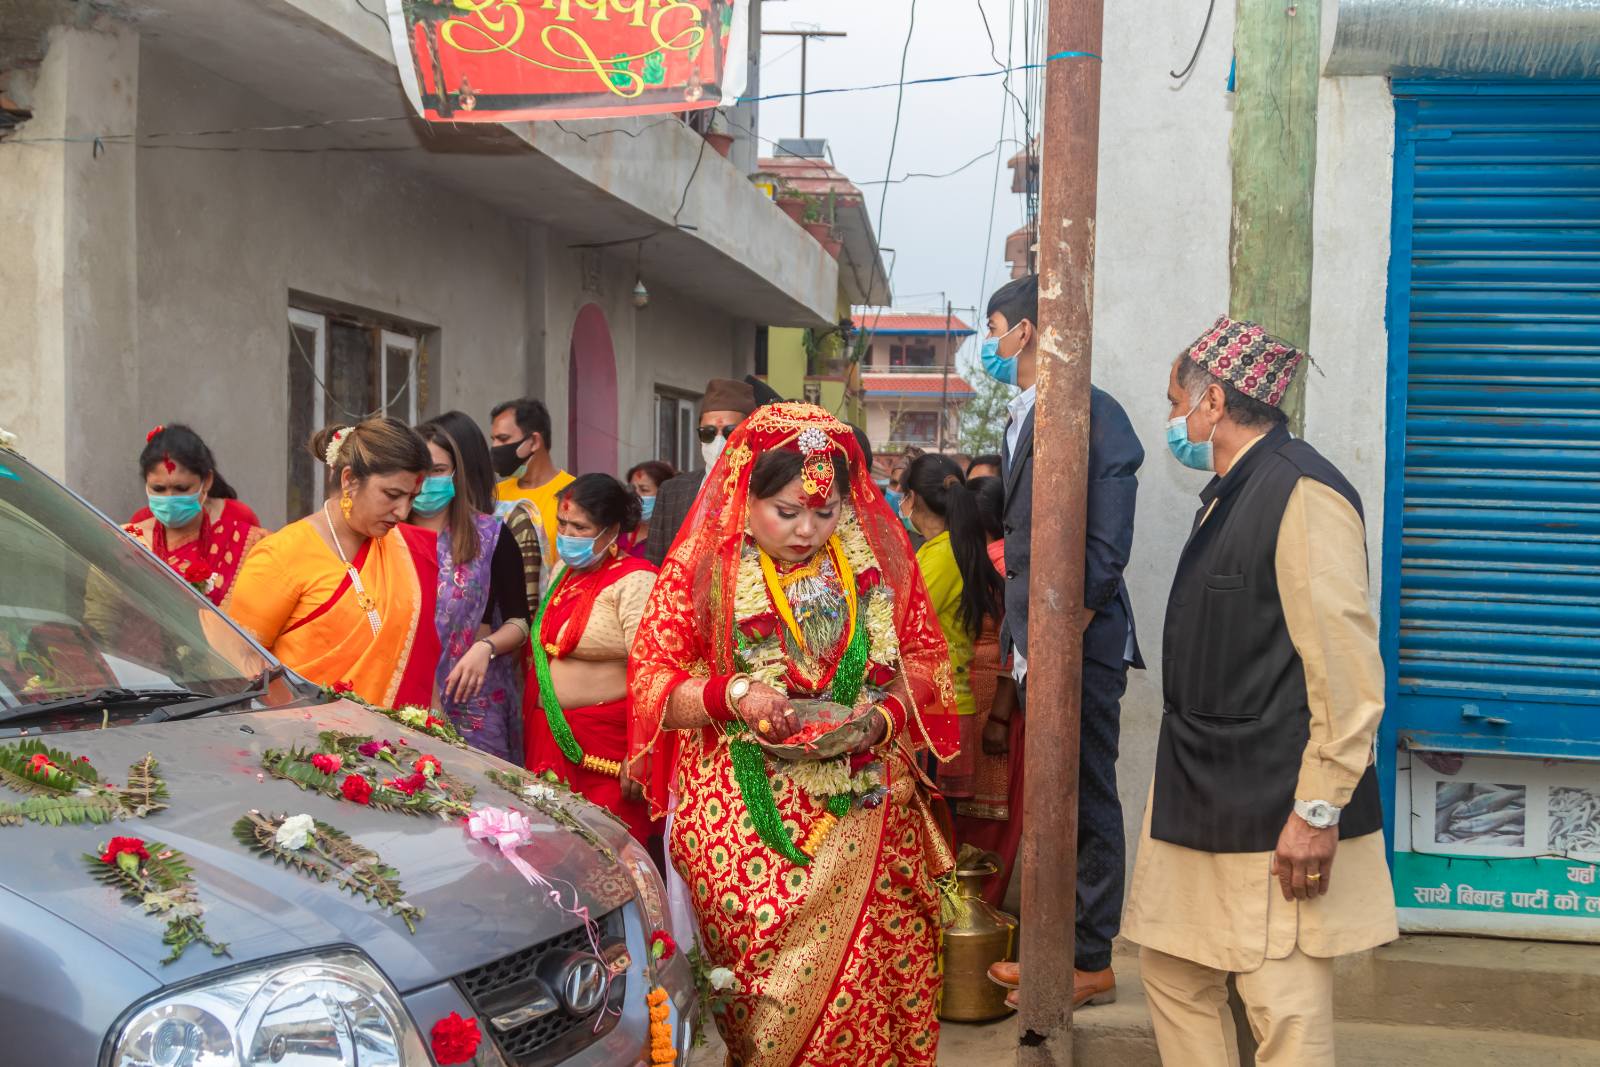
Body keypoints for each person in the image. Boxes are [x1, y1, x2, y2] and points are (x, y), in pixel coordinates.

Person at [628, 402, 961, 1065]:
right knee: (768, 1009)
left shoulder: (872, 570)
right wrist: (736, 692)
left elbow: (925, 662)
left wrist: (882, 717)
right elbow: (650, 681)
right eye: (787, 510)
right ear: (744, 494)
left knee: (877, 979)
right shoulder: (703, 574)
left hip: (863, 804)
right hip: (743, 825)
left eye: (826, 510)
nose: (808, 528)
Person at [1124, 318, 1397, 1066]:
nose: (1174, 416)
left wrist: (1317, 810)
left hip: (1275, 803)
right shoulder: (1230, 490)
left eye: (1177, 399)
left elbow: (1346, 672)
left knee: (1283, 1002)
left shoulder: (1302, 492)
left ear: (1214, 401)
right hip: (1204, 792)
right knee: (1173, 971)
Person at [980, 273, 1144, 1010]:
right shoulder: (1021, 413)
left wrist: (1062, 631)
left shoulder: (1094, 413)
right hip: (1032, 635)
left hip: (1076, 637)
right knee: (1046, 790)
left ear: (1026, 330)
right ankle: (1050, 943)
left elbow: (1105, 548)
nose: (988, 344)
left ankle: (1089, 956)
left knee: (1085, 790)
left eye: (993, 327)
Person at [229, 418, 441, 707]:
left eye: (412, 498)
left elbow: (420, 666)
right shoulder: (281, 555)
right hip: (303, 739)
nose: (403, 512)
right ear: (349, 479)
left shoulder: (408, 549)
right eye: (392, 495)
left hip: (397, 744)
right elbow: (239, 658)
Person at [525, 474, 659, 841]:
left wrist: (642, 750)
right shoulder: (561, 573)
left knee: (608, 852)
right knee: (547, 849)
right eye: (562, 524)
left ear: (612, 529)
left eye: (580, 527)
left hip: (607, 753)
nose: (567, 535)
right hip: (549, 737)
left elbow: (651, 672)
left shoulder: (637, 581)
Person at [411, 419, 531, 761]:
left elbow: (519, 622)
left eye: (438, 470)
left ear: (455, 473)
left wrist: (486, 648)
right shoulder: (387, 535)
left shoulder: (490, 536)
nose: (427, 481)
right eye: (419, 471)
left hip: (474, 700)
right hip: (405, 696)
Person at [899, 454, 1003, 801]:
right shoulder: (943, 548)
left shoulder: (943, 554)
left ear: (913, 498)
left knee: (930, 826)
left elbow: (901, 621)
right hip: (938, 700)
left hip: (937, 704)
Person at [952, 474, 1024, 907]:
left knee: (987, 818)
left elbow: (1012, 646)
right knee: (978, 817)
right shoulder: (991, 560)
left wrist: (998, 717)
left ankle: (977, 914)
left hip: (994, 705)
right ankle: (973, 912)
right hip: (981, 703)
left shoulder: (998, 563)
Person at [123, 424, 267, 608]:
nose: (170, 499)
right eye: (158, 489)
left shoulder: (240, 527)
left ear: (206, 481)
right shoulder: (137, 531)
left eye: (181, 488)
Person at [643, 378, 757, 567]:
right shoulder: (672, 491)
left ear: (750, 434)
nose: (719, 442)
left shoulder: (765, 489)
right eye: (708, 433)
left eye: (731, 432)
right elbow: (654, 564)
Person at [442, 408, 542, 611]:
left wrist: (491, 642)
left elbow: (525, 611)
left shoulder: (507, 520)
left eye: (438, 469)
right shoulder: (420, 519)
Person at [489, 398, 573, 569]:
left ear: (534, 441)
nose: (495, 447)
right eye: (493, 439)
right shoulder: (494, 494)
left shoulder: (574, 494)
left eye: (503, 439)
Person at [621, 460, 677, 559]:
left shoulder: (672, 536)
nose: (636, 495)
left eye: (644, 490)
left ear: (665, 493)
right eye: (633, 489)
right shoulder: (620, 528)